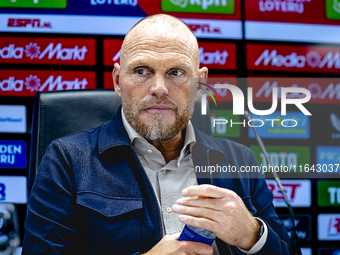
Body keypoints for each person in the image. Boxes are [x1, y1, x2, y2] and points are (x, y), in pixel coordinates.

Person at [22, 14, 291, 255]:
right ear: (118, 81)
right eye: (142, 71)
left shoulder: (238, 159)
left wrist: (253, 234)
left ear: (200, 85)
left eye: (176, 72)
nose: (159, 88)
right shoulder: (67, 160)